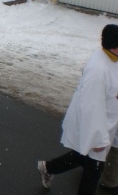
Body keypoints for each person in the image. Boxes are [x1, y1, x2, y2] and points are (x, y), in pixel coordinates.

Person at [37, 24, 118, 195]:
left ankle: (48, 167)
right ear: (114, 46)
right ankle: (49, 167)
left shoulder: (110, 58)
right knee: (93, 171)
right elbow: (91, 107)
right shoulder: (98, 70)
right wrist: (96, 138)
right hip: (97, 128)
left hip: (107, 123)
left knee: (84, 157)